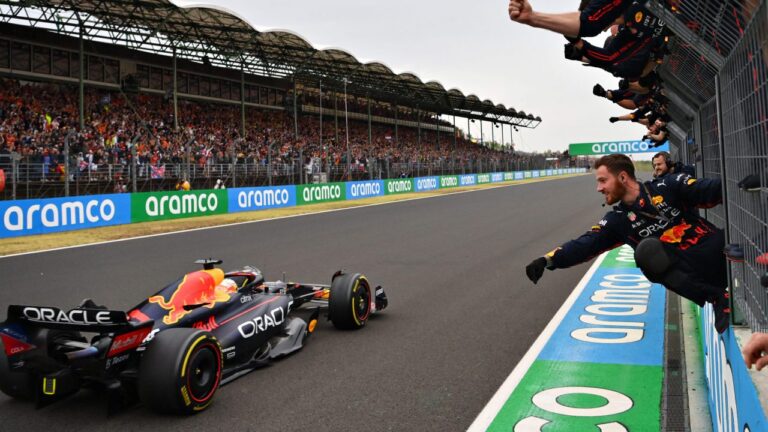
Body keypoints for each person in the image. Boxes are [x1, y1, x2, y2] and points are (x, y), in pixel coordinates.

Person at [525, 154, 732, 332]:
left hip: (723, 253)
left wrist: (739, 183)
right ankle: (716, 298)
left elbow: (710, 190)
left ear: (622, 177)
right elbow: (585, 244)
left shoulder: (667, 185)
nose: (599, 188)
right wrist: (547, 260)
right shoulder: (618, 221)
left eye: (603, 181)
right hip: (700, 275)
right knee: (646, 253)